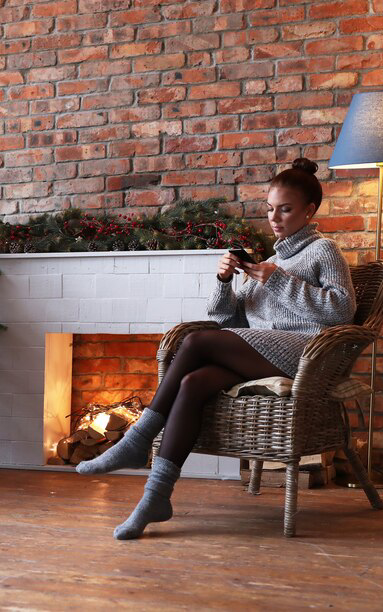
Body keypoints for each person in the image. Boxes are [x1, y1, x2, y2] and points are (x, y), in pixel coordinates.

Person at [76, 158, 357, 539]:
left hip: (305, 353)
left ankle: (139, 439)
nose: (274, 218)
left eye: (285, 209)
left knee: (195, 342)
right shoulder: (269, 261)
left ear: (309, 211)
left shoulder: (324, 250)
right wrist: (224, 281)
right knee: (193, 383)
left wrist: (278, 281)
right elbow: (227, 322)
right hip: (260, 354)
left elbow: (342, 310)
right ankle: (155, 497)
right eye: (270, 209)